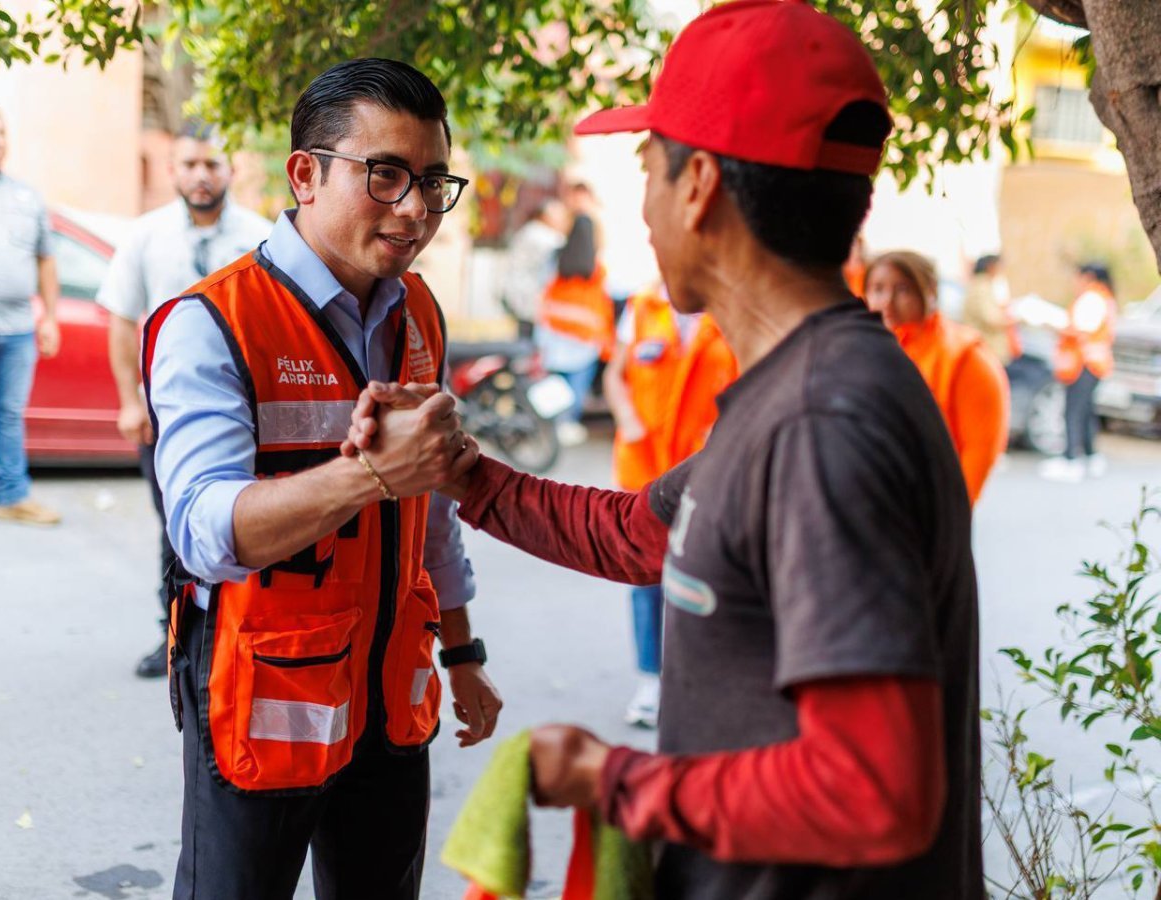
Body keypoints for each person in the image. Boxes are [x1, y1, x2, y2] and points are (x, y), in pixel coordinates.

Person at [353, 2, 983, 895]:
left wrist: (614, 782)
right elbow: (636, 536)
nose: (642, 207)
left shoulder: (822, 422)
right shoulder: (796, 394)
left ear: (699, 188)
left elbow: (876, 791)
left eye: (648, 168)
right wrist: (457, 470)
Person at [143, 59, 501, 899]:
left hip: (391, 705)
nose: (415, 209)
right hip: (261, 708)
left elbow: (430, 516)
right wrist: (372, 473)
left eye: (433, 181)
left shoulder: (419, 313)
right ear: (305, 173)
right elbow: (204, 532)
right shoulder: (213, 322)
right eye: (385, 175)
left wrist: (463, 650)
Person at [97, 121, 270, 679]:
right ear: (173, 171)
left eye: (212, 165)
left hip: (250, 411)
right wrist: (131, 401)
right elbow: (125, 321)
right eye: (190, 165)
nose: (201, 176)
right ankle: (174, 635)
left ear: (231, 169)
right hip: (167, 414)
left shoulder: (263, 237)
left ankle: (243, 630)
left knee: (247, 518)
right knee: (176, 524)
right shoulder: (145, 237)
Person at [602, 282, 737, 727]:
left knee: (704, 574)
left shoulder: (729, 307)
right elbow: (615, 375)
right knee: (644, 573)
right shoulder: (642, 308)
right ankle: (650, 680)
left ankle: (698, 679)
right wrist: (627, 417)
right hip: (644, 467)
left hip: (706, 470)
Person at [0, 104, 62, 526]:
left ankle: (13, 496)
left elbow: (45, 260)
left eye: (1, 132)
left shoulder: (27, 196)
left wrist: (51, 317)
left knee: (8, 414)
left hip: (18, 327)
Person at [865, 250, 1010, 504]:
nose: (887, 302)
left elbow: (980, 450)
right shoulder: (863, 349)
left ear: (930, 291)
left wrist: (952, 514)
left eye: (902, 290)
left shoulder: (965, 357)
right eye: (877, 289)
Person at [536, 182, 615, 446]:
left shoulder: (557, 260)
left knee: (559, 379)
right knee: (577, 379)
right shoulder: (597, 267)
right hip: (583, 334)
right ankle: (567, 422)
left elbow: (544, 292)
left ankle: (556, 422)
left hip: (557, 329)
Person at [1039, 262, 1117, 483]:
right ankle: (1090, 456)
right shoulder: (1104, 297)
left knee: (1073, 410)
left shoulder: (1092, 298)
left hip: (1084, 363)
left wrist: (1055, 327)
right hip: (1095, 363)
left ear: (1088, 277)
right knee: (1084, 411)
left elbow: (1081, 330)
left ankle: (1072, 458)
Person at [501, 199, 569, 339]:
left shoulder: (531, 230)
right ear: (545, 216)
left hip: (523, 294)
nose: (563, 221)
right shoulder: (540, 234)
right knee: (528, 342)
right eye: (560, 216)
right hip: (527, 295)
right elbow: (566, 248)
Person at [960, 254, 1021, 366]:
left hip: (986, 351)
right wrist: (1018, 319)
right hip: (987, 351)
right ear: (991, 267)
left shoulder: (981, 286)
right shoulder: (981, 288)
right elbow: (991, 320)